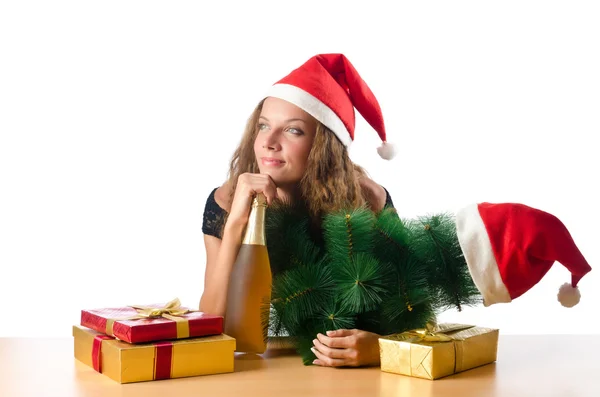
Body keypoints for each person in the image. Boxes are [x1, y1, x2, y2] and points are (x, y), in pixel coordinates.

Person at [199, 53, 397, 368]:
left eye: (293, 130)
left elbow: (409, 311)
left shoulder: (367, 202)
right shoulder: (225, 202)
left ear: (324, 145)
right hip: (277, 369)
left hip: (356, 373)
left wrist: (381, 349)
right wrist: (237, 221)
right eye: (264, 126)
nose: (269, 142)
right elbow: (211, 324)